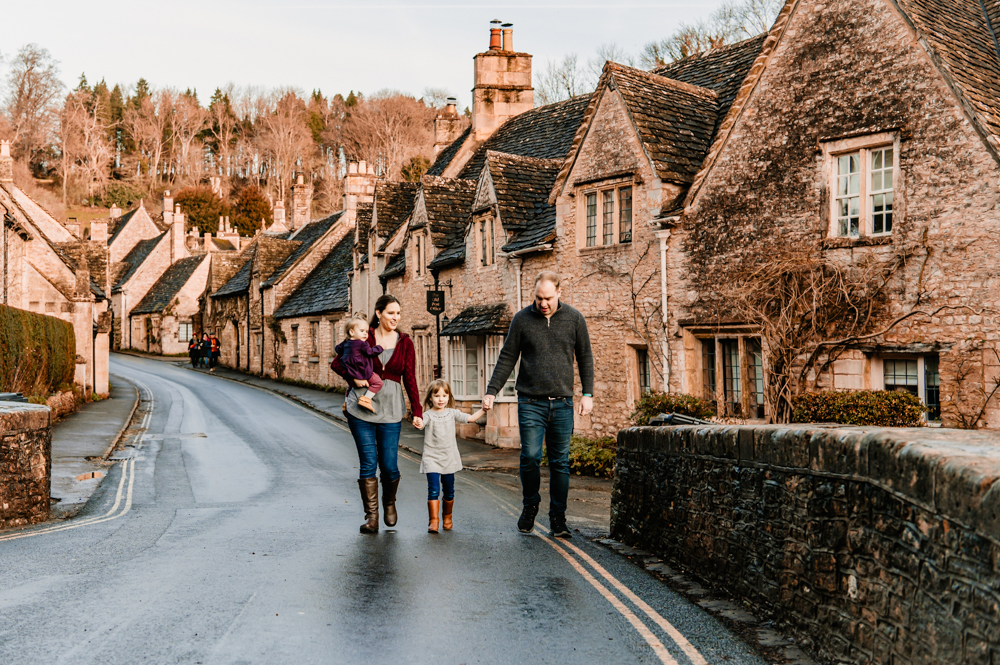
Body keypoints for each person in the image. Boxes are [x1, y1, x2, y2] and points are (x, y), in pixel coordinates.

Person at [483, 271, 594, 538]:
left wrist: (587, 394)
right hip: (531, 401)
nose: (542, 303)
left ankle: (558, 518)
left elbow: (585, 357)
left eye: (547, 298)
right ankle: (530, 504)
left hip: (563, 404)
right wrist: (491, 391)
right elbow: (507, 357)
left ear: (559, 293)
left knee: (560, 463)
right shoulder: (522, 320)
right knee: (531, 456)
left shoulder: (574, 318)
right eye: (538, 298)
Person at [331, 295, 423, 534]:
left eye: (398, 313)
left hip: (391, 410)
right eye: (391, 313)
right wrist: (354, 379)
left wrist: (417, 410)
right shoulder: (364, 335)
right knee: (368, 463)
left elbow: (410, 378)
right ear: (379, 313)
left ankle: (389, 502)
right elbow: (337, 362)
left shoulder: (405, 342)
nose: (396, 318)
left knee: (390, 466)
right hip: (360, 409)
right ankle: (371, 517)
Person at [417, 379, 485, 533]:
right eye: (437, 396)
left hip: (449, 458)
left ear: (449, 397)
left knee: (449, 490)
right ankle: (433, 521)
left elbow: (471, 418)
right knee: (433, 489)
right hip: (432, 458)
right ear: (430, 398)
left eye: (444, 395)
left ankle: (447, 517)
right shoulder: (427, 415)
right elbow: (421, 423)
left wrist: (484, 409)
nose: (441, 399)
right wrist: (418, 422)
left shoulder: (452, 413)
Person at [334, 314, 384, 412]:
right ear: (351, 332)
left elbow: (337, 349)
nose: (365, 334)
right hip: (362, 371)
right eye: (362, 331)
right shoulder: (362, 344)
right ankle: (366, 399)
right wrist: (380, 347)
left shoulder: (346, 343)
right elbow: (370, 352)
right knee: (378, 382)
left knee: (349, 387)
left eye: (366, 331)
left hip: (351, 371)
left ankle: (346, 403)